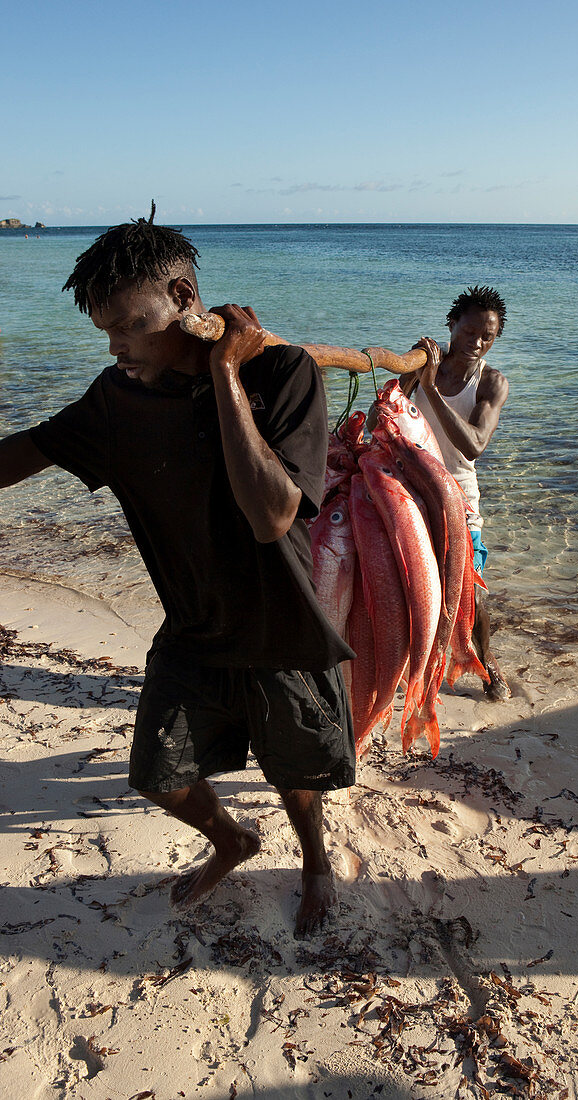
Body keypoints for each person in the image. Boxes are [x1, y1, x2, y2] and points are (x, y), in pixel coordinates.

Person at [0, 207, 356, 938]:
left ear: (185, 297)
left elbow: (272, 516)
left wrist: (225, 370)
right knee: (159, 773)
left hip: (279, 622)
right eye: (105, 331)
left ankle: (314, 860)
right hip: (194, 626)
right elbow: (19, 455)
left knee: (296, 772)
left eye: (130, 325)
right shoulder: (116, 399)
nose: (117, 346)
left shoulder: (281, 374)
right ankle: (231, 840)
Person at [402, 285, 511, 700]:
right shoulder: (420, 364)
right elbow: (383, 418)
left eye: (488, 337)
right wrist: (414, 376)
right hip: (411, 490)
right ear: (452, 325)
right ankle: (416, 662)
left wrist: (429, 388)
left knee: (472, 586)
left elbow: (475, 444)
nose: (478, 343)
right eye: (470, 333)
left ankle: (487, 660)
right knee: (411, 580)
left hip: (459, 495)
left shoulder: (492, 383)